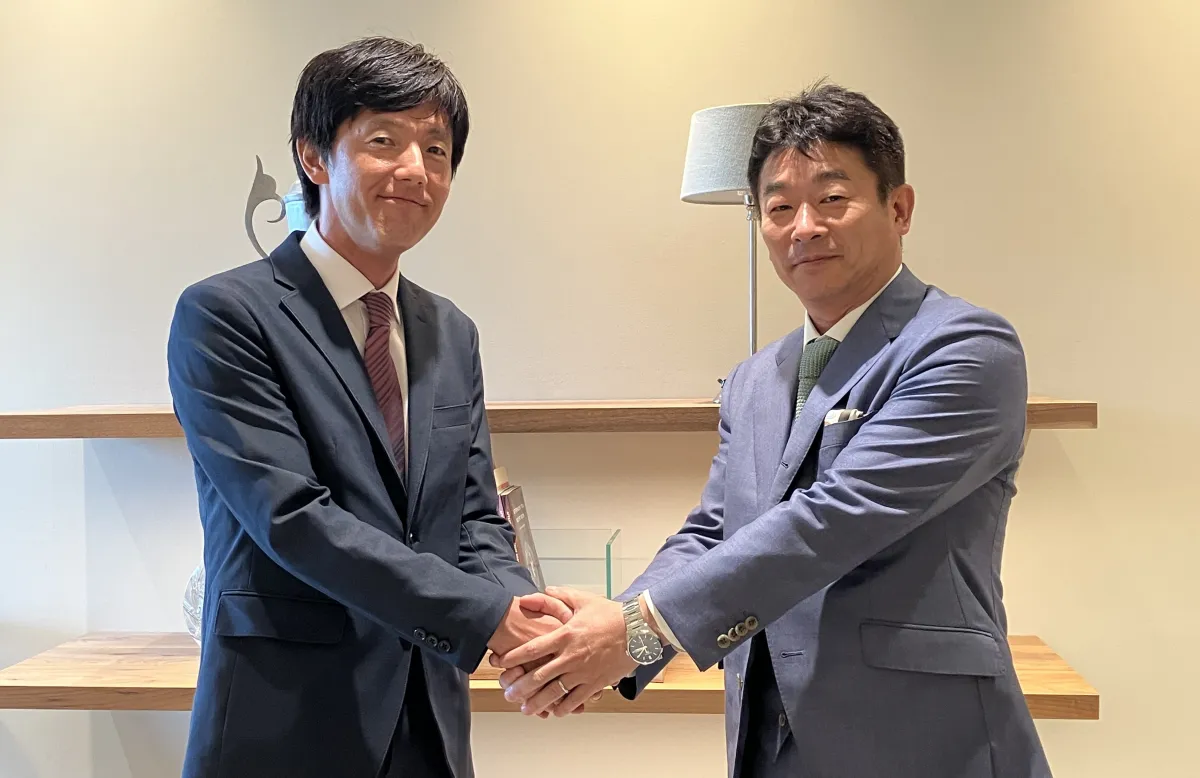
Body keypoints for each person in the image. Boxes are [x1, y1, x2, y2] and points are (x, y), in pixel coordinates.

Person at [494, 81, 1053, 778]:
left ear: (899, 208)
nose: (803, 227)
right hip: (767, 737)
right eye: (779, 207)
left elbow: (834, 519)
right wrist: (621, 625)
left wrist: (637, 628)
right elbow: (713, 529)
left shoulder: (964, 347)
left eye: (832, 199)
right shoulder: (756, 378)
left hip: (925, 742)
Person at [167, 36, 563, 778]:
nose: (416, 169)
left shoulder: (450, 330)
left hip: (430, 718)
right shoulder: (226, 314)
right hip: (284, 722)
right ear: (314, 157)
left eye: (437, 151)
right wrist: (484, 618)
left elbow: (472, 516)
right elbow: (293, 518)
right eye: (384, 141)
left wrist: (525, 615)